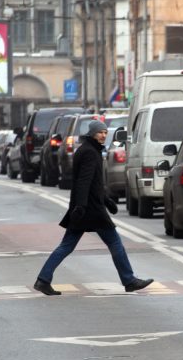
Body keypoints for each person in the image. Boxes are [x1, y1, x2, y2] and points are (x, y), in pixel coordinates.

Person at [35, 120, 153, 295]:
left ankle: (43, 280)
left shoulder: (88, 150)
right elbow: (84, 181)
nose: (103, 135)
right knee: (115, 242)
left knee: (67, 245)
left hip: (85, 206)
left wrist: (107, 201)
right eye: (100, 132)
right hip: (90, 208)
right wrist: (82, 206)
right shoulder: (90, 153)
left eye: (105, 132)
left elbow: (94, 184)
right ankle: (129, 280)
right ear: (92, 133)